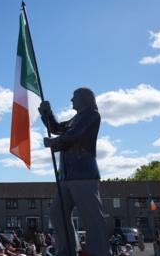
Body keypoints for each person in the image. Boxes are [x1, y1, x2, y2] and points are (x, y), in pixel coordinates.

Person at [39, 87, 111, 256]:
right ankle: (67, 251)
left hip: (83, 174)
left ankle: (99, 252)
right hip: (67, 176)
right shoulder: (76, 118)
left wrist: (53, 143)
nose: (71, 100)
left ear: (84, 99)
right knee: (57, 213)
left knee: (92, 217)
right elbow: (57, 128)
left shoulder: (92, 115)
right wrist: (47, 113)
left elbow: (75, 135)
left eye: (74, 97)